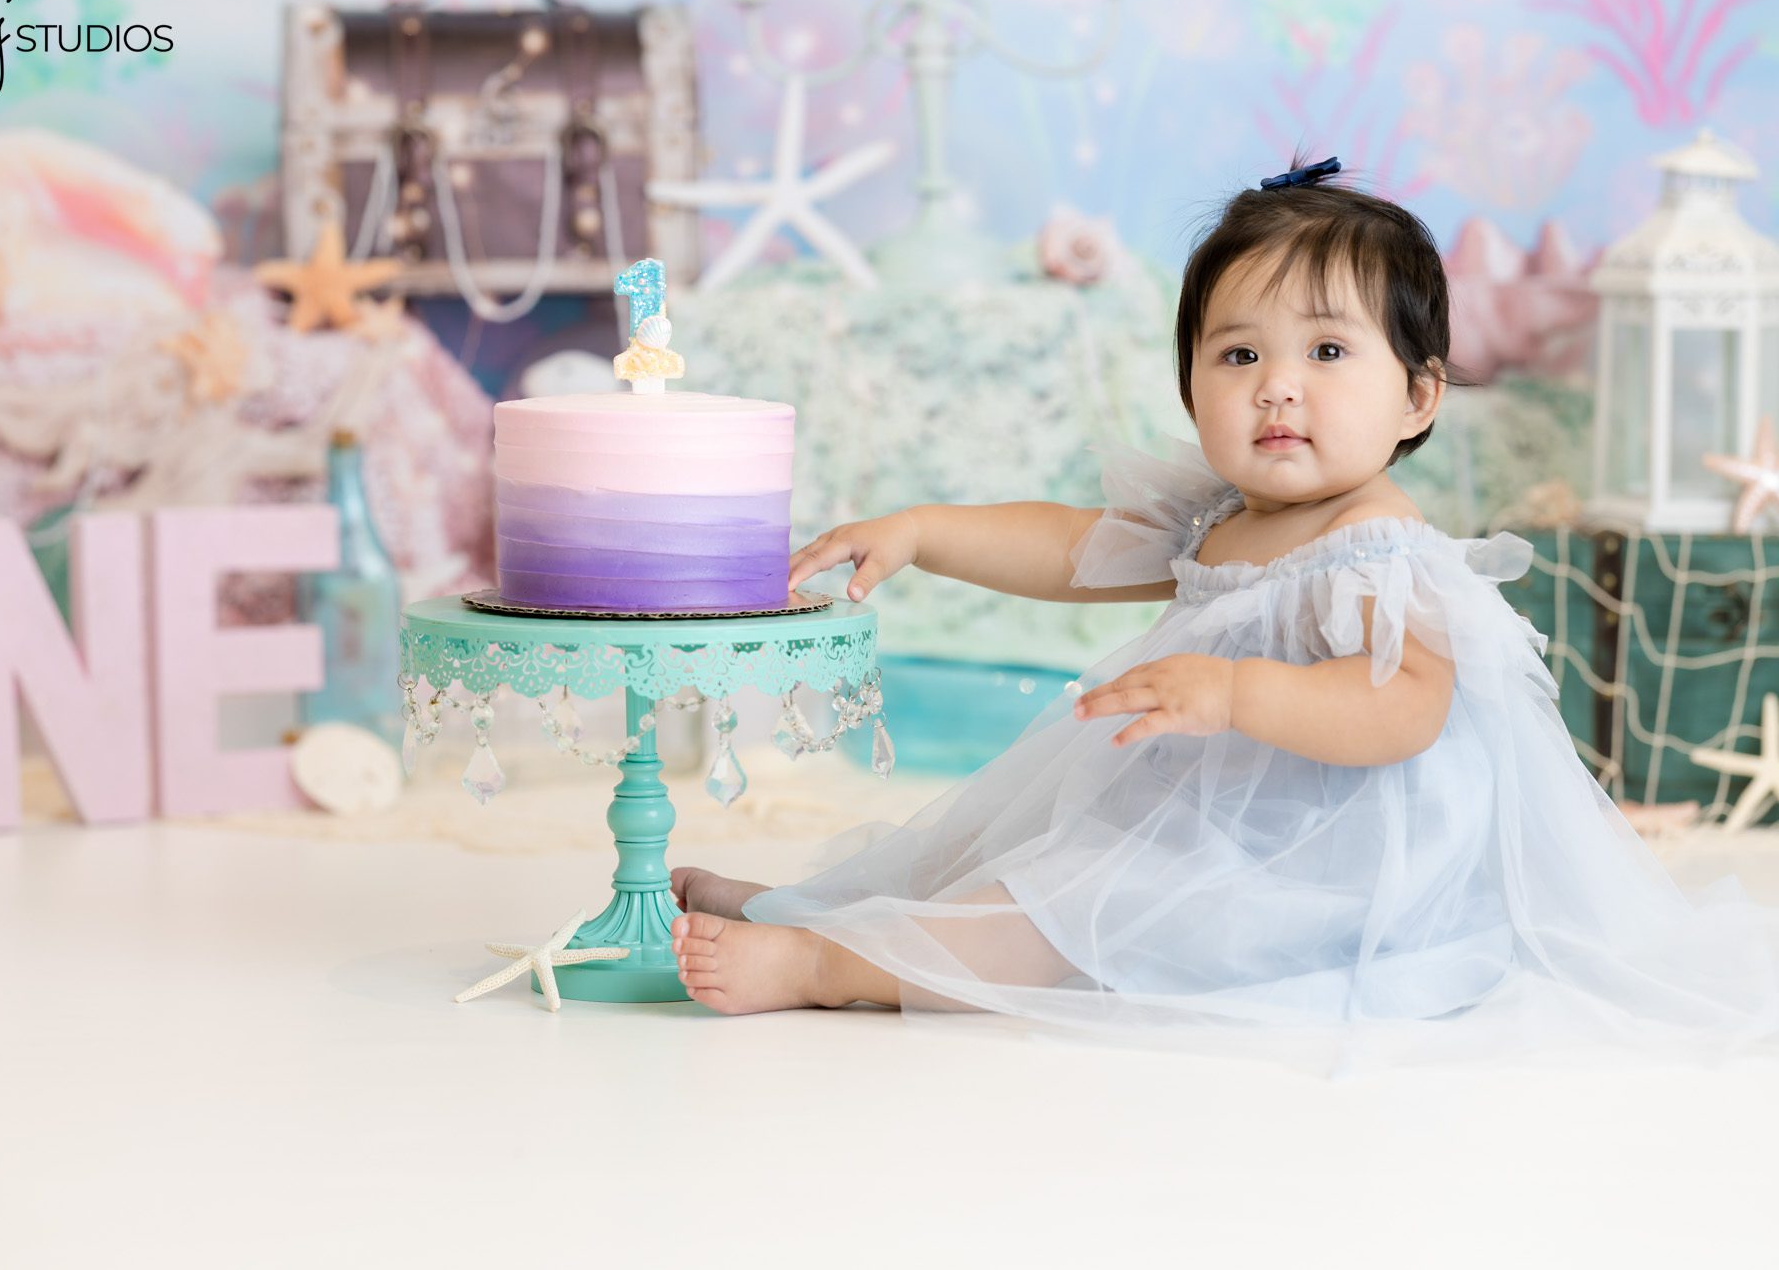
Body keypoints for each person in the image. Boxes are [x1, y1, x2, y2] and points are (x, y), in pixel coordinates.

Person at [666, 156, 1779, 1075]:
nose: (1276, 385)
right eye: (1237, 354)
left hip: (1315, 870)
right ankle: (829, 908)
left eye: (1327, 352)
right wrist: (923, 531)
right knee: (995, 841)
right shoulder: (1215, 517)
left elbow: (1399, 710)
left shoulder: (1379, 551)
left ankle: (822, 970)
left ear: (1418, 396)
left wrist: (1239, 690)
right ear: (1190, 384)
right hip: (1201, 816)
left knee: (1066, 905)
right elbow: (1064, 546)